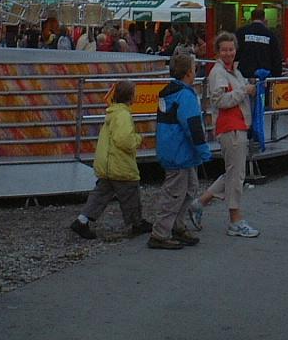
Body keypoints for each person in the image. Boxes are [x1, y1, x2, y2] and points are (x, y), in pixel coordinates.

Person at [189, 32, 260, 238]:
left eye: (231, 49)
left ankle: (199, 203)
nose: (228, 53)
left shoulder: (232, 71)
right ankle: (235, 220)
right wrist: (244, 91)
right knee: (236, 175)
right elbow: (219, 101)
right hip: (230, 127)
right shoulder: (219, 73)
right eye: (224, 50)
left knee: (233, 173)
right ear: (218, 52)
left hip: (236, 126)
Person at [70, 79, 152, 240]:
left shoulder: (112, 113)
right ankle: (136, 223)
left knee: (100, 194)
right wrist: (137, 139)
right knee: (130, 192)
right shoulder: (123, 115)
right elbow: (124, 140)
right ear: (130, 97)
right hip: (119, 164)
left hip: (106, 164)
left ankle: (82, 220)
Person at [149, 52, 210, 250]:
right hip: (180, 153)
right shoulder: (185, 95)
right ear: (189, 72)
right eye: (194, 68)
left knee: (189, 188)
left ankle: (176, 225)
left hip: (174, 150)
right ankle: (160, 233)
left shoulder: (169, 93)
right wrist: (203, 150)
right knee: (175, 193)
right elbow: (193, 126)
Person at [235, 7, 282, 79]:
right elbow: (276, 58)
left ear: (251, 18)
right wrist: (276, 76)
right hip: (264, 76)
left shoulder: (241, 32)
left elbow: (235, 53)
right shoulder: (270, 35)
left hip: (244, 75)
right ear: (264, 19)